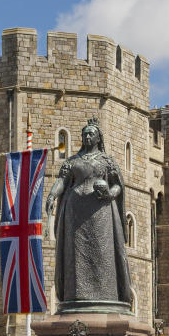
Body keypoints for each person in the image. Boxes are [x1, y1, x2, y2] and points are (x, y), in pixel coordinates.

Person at [45, 120, 132, 312]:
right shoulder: (72, 161)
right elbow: (62, 180)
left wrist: (110, 193)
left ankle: (106, 295)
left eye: (91, 134)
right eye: (84, 134)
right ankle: (76, 296)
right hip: (75, 211)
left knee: (102, 252)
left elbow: (118, 185)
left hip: (100, 212)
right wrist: (52, 194)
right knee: (75, 255)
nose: (87, 137)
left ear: (98, 137)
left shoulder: (107, 161)